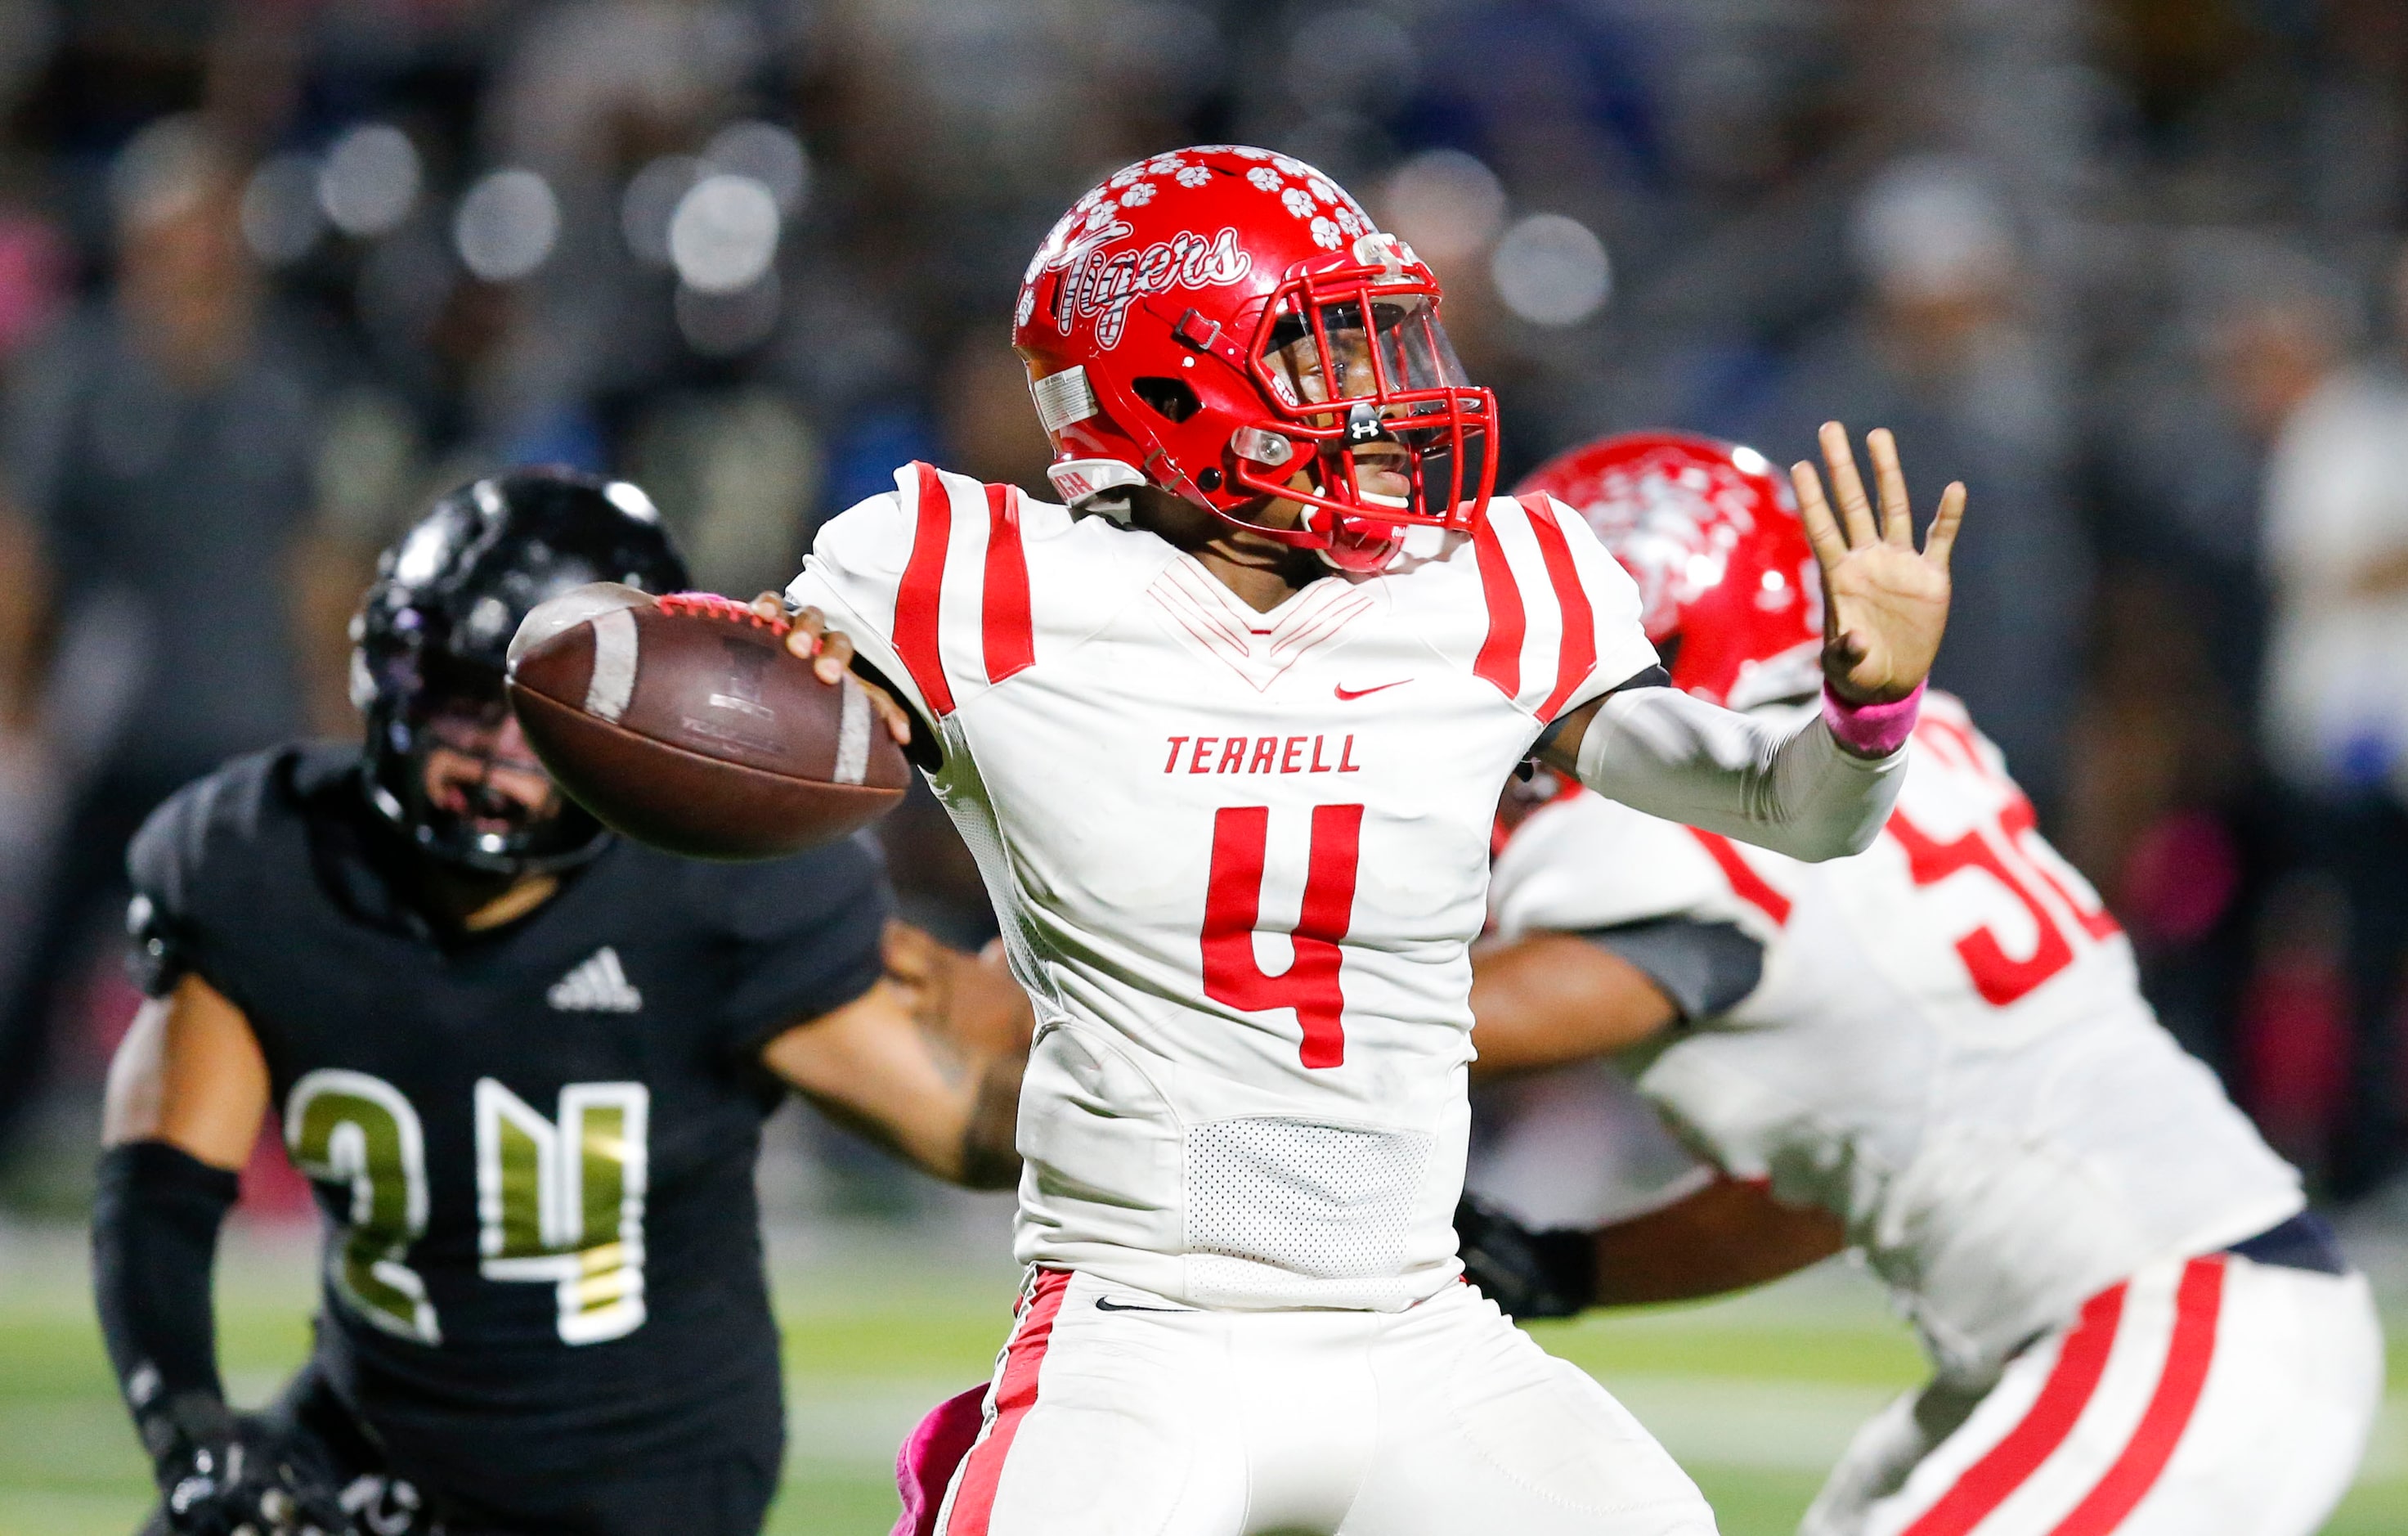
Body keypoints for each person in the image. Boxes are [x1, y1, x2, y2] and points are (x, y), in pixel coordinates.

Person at [774, 146, 1966, 1536]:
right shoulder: (960, 576)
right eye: (1331, 349)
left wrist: (1866, 708)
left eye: (1389, 340)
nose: (1391, 395)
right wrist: (772, 684)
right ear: (1171, 383)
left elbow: (1795, 808)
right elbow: (735, 714)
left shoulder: (1496, 582)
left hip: (1413, 1319)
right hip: (1139, 1316)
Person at [1455, 432, 2382, 1536]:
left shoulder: (1683, 828)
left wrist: (1226, 1002)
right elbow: (1823, 1186)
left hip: (2167, 1314)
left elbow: (1483, 1011)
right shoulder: (1871, 749)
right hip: (2151, 1317)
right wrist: (1562, 1267)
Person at [92, 469, 1029, 1536]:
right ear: (390, 677)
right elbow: (160, 1189)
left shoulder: (710, 891)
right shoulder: (269, 859)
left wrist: (1085, 992)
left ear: (649, 729)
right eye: (460, 695)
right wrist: (192, 1430)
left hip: (641, 1474)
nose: (489, 750)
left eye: (539, 718)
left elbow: (964, 1125)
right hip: (372, 1431)